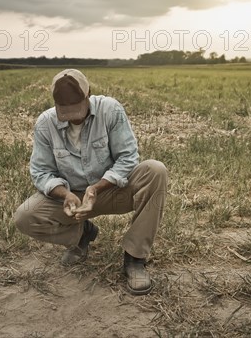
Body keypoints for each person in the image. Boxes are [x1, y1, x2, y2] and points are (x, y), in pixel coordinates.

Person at [14, 69, 167, 295]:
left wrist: (96, 188)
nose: (73, 116)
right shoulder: (45, 123)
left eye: (78, 109)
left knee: (155, 170)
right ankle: (83, 234)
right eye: (65, 112)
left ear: (89, 95)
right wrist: (65, 195)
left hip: (112, 189)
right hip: (72, 199)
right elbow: (41, 172)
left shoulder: (110, 110)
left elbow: (128, 157)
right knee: (25, 217)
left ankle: (135, 258)